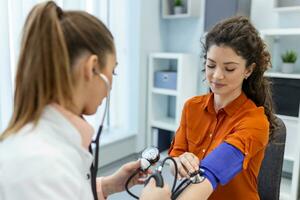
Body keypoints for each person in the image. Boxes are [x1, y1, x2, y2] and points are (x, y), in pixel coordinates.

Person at [0, 1, 170, 200]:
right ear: (92, 68)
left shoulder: (47, 149)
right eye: (112, 71)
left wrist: (106, 186)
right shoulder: (40, 166)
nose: (110, 88)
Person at [168, 16, 278, 200]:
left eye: (229, 69)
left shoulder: (255, 122)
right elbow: (173, 159)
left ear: (248, 70)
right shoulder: (192, 107)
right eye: (211, 65)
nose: (217, 76)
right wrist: (179, 162)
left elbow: (212, 172)